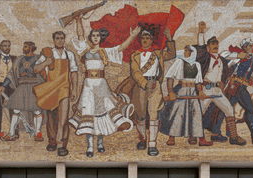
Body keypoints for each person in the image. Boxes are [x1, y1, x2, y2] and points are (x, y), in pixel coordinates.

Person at [69, 16, 139, 157]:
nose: (95, 38)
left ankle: (100, 142)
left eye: (98, 36)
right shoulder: (85, 50)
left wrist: (131, 37)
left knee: (104, 114)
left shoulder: (105, 52)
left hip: (101, 85)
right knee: (89, 113)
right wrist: (78, 21)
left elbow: (121, 48)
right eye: (93, 35)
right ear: (90, 38)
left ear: (101, 38)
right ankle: (90, 145)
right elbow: (80, 34)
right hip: (88, 86)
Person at [194, 22, 246, 145]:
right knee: (199, 112)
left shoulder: (222, 59)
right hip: (206, 89)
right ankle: (195, 136)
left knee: (228, 109)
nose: (215, 45)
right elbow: (200, 47)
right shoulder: (205, 57)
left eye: (216, 44)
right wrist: (201, 31)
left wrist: (226, 81)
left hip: (217, 91)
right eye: (212, 44)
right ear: (208, 47)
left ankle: (233, 137)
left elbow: (226, 72)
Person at [129, 26, 176, 156]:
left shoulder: (158, 53)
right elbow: (135, 72)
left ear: (151, 40)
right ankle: (143, 139)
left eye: (147, 38)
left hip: (156, 86)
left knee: (154, 114)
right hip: (141, 87)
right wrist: (145, 83)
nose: (145, 40)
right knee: (141, 115)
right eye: (143, 38)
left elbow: (172, 54)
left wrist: (169, 38)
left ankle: (152, 145)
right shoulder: (135, 55)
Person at [34, 31, 79, 157]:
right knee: (51, 118)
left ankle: (61, 144)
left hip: (64, 89)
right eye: (57, 38)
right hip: (51, 89)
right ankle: (52, 141)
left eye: (62, 38)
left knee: (63, 118)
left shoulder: (69, 54)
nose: (60, 40)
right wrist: (45, 63)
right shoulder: (48, 54)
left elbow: (74, 72)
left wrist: (74, 89)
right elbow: (36, 69)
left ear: (64, 40)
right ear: (53, 40)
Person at [158, 45, 212, 146]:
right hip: (181, 90)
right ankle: (172, 137)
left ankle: (200, 139)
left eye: (187, 51)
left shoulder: (197, 65)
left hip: (193, 91)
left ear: (192, 53)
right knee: (178, 113)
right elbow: (170, 77)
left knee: (196, 113)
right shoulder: (179, 62)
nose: (185, 52)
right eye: (185, 50)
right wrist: (170, 92)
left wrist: (200, 92)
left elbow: (198, 81)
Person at [0, 41, 46, 142]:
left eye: (26, 47)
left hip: (35, 87)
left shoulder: (39, 58)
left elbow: (45, 73)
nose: (23, 48)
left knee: (37, 111)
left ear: (32, 48)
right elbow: (11, 74)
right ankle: (11, 134)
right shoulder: (19, 59)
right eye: (24, 46)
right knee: (16, 110)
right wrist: (3, 86)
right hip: (22, 87)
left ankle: (38, 134)